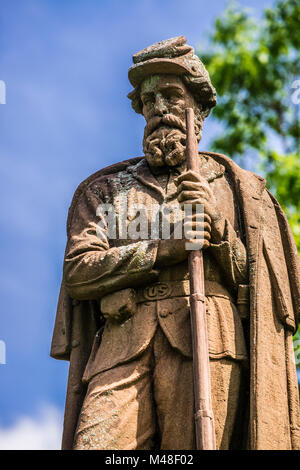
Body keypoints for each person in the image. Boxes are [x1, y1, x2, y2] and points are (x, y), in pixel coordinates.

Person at [51, 36, 300, 450]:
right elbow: (79, 270)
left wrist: (217, 228)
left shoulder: (241, 190)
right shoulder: (104, 191)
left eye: (171, 95)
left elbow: (269, 290)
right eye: (149, 101)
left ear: (198, 108)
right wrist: (162, 249)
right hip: (120, 347)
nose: (160, 110)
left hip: (210, 344)